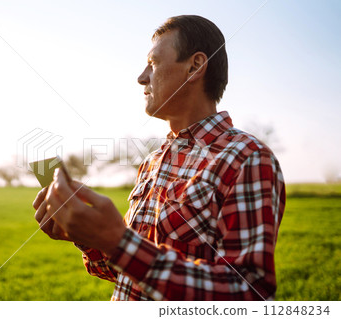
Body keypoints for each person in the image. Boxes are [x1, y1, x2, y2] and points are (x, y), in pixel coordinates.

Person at [33, 15, 285, 301]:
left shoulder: (246, 159)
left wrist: (118, 242)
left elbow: (249, 293)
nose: (141, 77)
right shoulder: (153, 162)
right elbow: (130, 274)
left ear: (195, 66)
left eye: (152, 64)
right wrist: (88, 236)